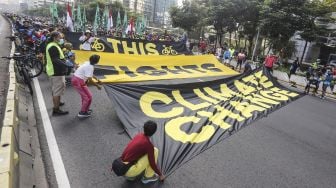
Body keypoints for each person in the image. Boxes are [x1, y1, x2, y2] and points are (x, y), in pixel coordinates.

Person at [45, 31, 69, 115]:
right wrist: (66, 65)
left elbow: (58, 57)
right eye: (60, 37)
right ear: (55, 38)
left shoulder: (53, 45)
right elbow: (55, 60)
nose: (61, 39)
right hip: (56, 72)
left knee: (56, 90)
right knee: (57, 91)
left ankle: (58, 102)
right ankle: (56, 109)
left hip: (54, 71)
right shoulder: (53, 47)